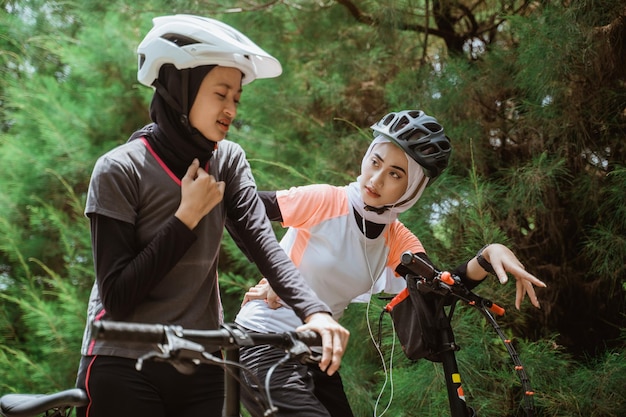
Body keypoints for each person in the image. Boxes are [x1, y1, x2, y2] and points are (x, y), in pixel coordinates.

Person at [74, 14, 349, 417]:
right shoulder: (119, 169)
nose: (230, 109)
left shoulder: (228, 161)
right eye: (220, 93)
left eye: (236, 98)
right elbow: (116, 296)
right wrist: (186, 218)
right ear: (180, 89)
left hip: (201, 361)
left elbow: (263, 245)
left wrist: (316, 312)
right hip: (122, 359)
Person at [234, 109, 547, 417]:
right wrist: (276, 274)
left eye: (396, 174)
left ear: (412, 188)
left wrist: (489, 254)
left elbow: (441, 287)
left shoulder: (397, 240)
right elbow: (238, 207)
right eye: (375, 162)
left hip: (316, 356)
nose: (376, 179)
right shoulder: (327, 201)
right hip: (264, 339)